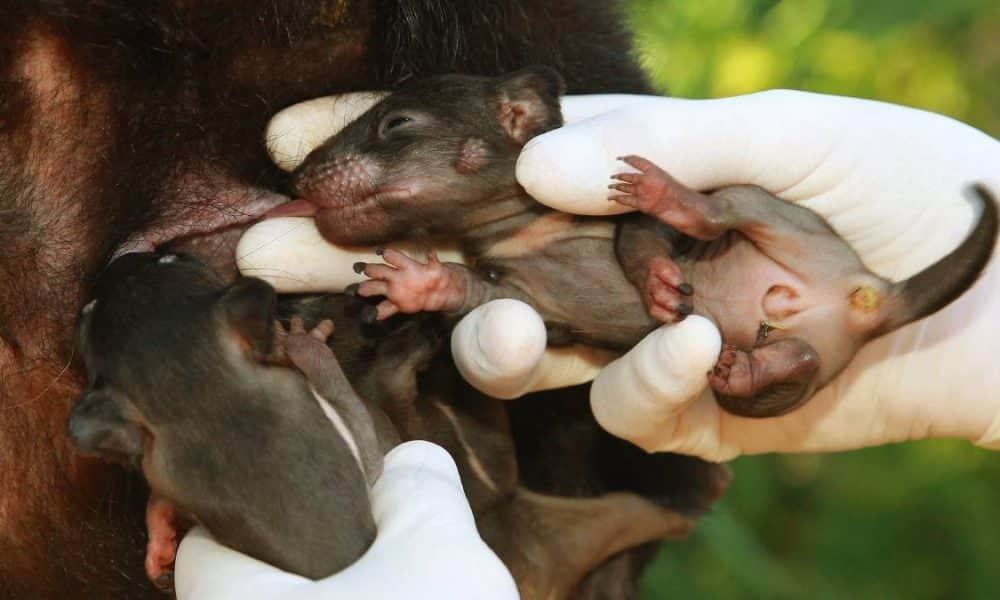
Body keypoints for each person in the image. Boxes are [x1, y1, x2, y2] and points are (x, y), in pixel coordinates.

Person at [178, 89, 1000, 598]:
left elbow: (644, 234)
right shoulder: (507, 263)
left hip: (775, 279)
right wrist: (435, 288)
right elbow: (500, 300)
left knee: (718, 274)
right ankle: (780, 364)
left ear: (513, 118)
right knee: (532, 339)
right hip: (780, 314)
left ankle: (780, 356)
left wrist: (673, 226)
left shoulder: (585, 201)